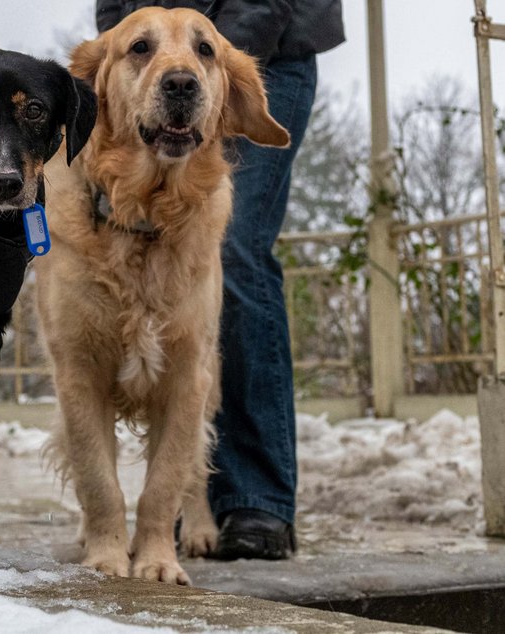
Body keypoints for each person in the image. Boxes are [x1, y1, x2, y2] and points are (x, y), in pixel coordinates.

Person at [95, 0, 344, 560]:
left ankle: (256, 497)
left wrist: (207, 57)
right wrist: (128, 52)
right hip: (154, 63)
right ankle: (147, 499)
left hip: (262, 48)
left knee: (236, 248)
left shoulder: (219, 65)